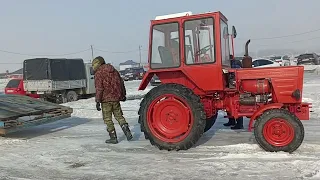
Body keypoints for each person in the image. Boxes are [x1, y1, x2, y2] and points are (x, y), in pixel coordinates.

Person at [92, 56, 133, 144]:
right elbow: (121, 83)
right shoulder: (114, 71)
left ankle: (113, 137)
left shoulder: (99, 73)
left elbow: (99, 88)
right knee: (119, 116)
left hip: (105, 99)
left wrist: (97, 100)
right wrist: (123, 95)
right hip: (115, 98)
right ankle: (127, 131)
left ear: (97, 64)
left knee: (107, 119)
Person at [224, 55, 244, 129]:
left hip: (234, 87)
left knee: (237, 105)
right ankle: (231, 121)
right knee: (229, 106)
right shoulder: (231, 64)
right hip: (229, 86)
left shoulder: (234, 65)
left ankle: (239, 124)